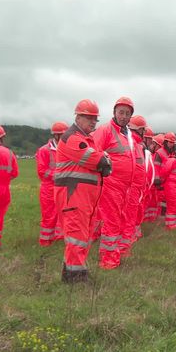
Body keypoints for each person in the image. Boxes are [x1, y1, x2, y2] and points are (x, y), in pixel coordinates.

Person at [55, 99, 110, 283]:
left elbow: (103, 164)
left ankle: (74, 271)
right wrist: (103, 159)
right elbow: (98, 161)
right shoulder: (72, 138)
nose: (93, 122)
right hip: (73, 196)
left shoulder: (88, 139)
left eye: (95, 119)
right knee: (76, 236)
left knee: (83, 237)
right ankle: (75, 277)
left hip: (84, 198)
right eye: (88, 118)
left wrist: (103, 160)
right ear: (78, 117)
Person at [93, 96, 135, 269]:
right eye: (121, 112)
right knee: (111, 221)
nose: (124, 116)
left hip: (124, 186)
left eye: (127, 113)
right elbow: (95, 154)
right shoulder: (105, 130)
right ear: (114, 113)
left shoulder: (127, 134)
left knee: (118, 219)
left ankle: (115, 252)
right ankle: (108, 260)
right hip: (111, 184)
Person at [36, 121, 69, 246]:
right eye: (63, 136)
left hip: (64, 188)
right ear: (56, 136)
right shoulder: (44, 150)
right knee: (49, 216)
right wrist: (58, 175)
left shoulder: (67, 149)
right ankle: (45, 241)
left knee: (64, 214)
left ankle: (59, 237)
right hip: (49, 189)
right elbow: (42, 172)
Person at [123, 114, 147, 250]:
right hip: (129, 188)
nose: (144, 133)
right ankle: (123, 248)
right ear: (137, 129)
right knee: (126, 218)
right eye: (143, 129)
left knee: (130, 218)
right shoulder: (130, 143)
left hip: (136, 188)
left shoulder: (137, 145)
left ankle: (125, 246)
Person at [152, 131, 176, 223]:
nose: (171, 144)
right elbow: (156, 167)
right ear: (165, 142)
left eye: (173, 143)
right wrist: (157, 180)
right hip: (161, 182)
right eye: (170, 142)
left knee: (166, 202)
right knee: (161, 202)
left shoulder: (172, 153)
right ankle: (160, 221)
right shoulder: (160, 152)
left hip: (169, 182)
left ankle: (164, 220)